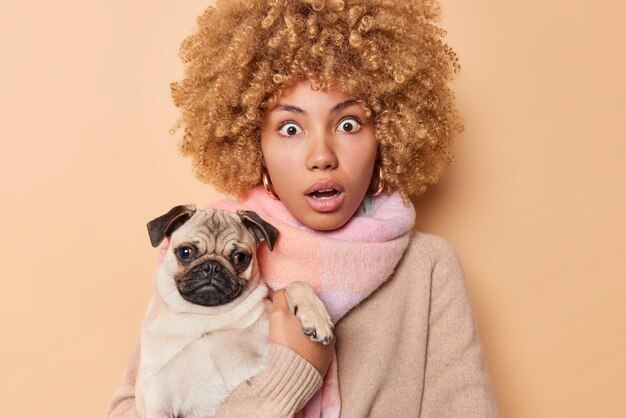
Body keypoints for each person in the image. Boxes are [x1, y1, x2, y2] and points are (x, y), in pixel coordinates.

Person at [106, 0, 498, 416]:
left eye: (348, 124)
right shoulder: (201, 248)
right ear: (255, 144)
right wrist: (286, 380)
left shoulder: (429, 269)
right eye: (290, 128)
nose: (321, 155)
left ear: (387, 132)